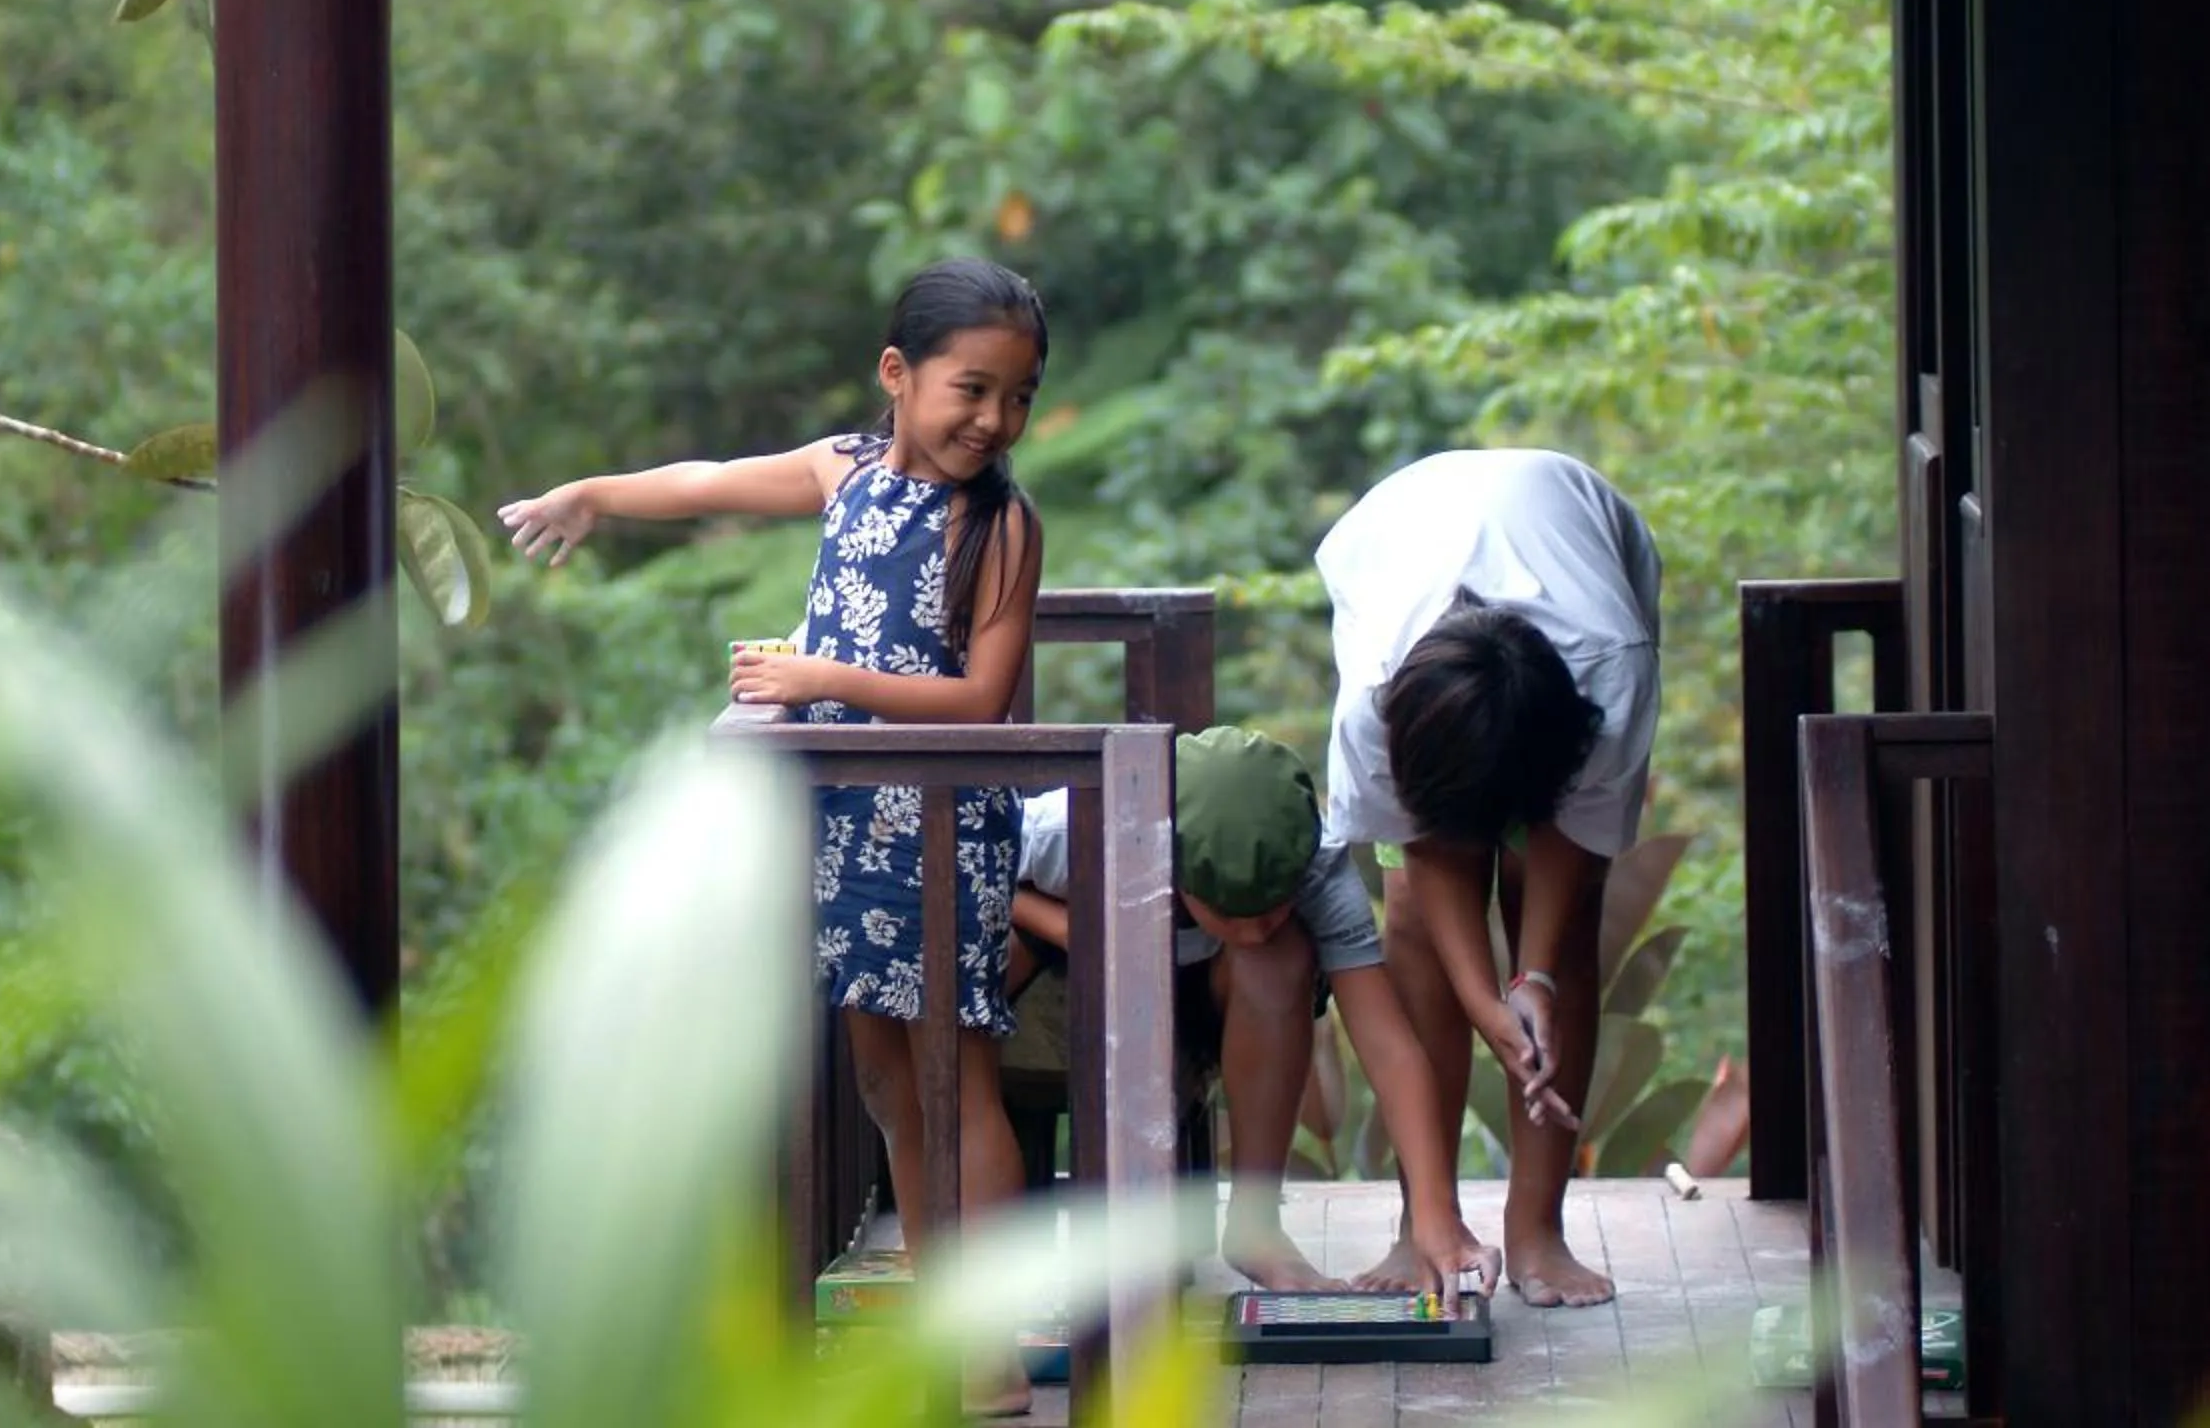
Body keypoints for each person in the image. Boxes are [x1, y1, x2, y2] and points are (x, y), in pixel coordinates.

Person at [498, 257, 1050, 1413]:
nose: (993, 419)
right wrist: (594, 493)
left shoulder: (998, 525)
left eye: (1016, 396)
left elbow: (982, 701)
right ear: (897, 376)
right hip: (843, 819)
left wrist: (816, 673)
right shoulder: (841, 470)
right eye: (971, 388)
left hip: (941, 825)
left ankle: (989, 1346)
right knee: (884, 1074)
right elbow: (706, 483)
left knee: (959, 1075)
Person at [1316, 448, 1662, 1309]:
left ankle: (1537, 1231)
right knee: (1411, 926)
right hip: (1398, 534)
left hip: (1581, 537)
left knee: (1567, 930)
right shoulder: (1377, 701)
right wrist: (1485, 1003)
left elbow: (1569, 844)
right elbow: (1428, 853)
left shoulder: (1610, 676)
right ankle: (1419, 1221)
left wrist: (1531, 976)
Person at [1007, 727, 1498, 1299]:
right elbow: (960, 874)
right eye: (1232, 914)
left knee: (1278, 955)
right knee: (995, 944)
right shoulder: (1070, 831)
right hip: (1073, 990)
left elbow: (1390, 1048)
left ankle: (1255, 1224)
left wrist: (1436, 1215)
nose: (1257, 926)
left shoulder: (1318, 862)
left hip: (1213, 1006)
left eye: (1274, 906)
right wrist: (1075, 929)